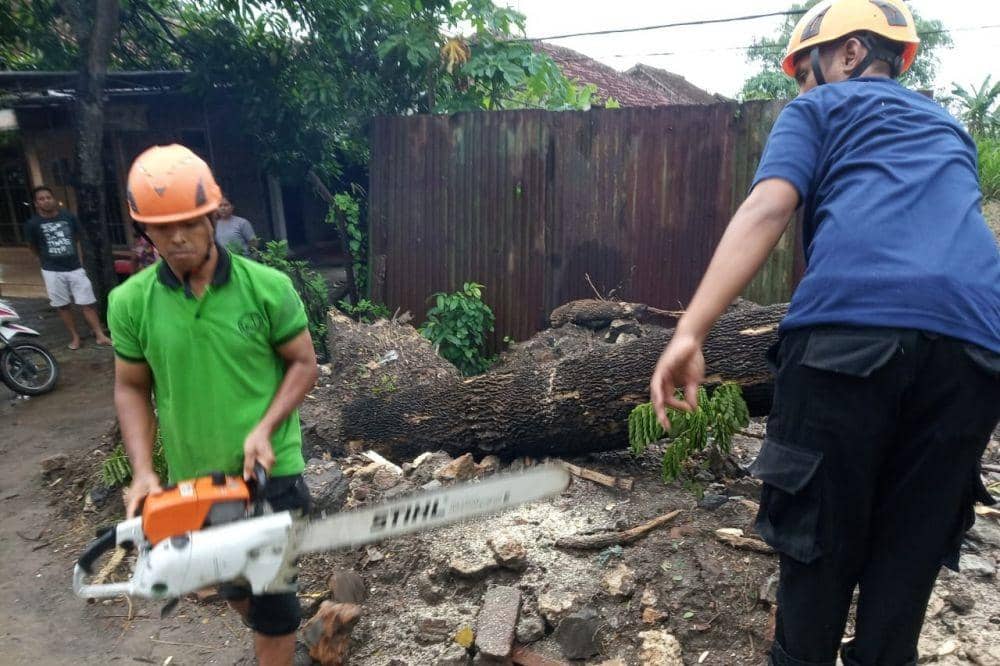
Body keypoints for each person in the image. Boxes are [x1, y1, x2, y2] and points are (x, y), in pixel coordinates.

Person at [648, 1, 999, 664]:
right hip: (975, 358)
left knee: (816, 563)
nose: (801, 91)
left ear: (848, 54)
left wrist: (690, 331)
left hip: (848, 340)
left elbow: (769, 207)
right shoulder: (951, 129)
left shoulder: (817, 110)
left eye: (805, 75)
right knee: (903, 578)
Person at [108, 144, 318, 666]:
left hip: (270, 472)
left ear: (212, 214)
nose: (177, 238)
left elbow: (303, 364)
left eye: (187, 223)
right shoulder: (130, 302)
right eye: (161, 228)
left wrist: (266, 427)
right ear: (144, 231)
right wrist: (141, 472)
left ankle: (280, 636)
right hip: (191, 480)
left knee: (273, 608)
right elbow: (132, 387)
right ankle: (277, 633)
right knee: (233, 588)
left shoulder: (267, 289)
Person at [23, 186, 113, 350]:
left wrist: (76, 257)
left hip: (74, 268)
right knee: (62, 305)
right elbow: (32, 245)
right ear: (36, 203)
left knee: (87, 302)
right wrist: (41, 259)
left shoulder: (68, 217)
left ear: (53, 198)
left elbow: (77, 237)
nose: (46, 201)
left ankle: (99, 334)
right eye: (41, 199)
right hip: (52, 270)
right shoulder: (32, 224)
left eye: (48, 197)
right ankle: (75, 336)